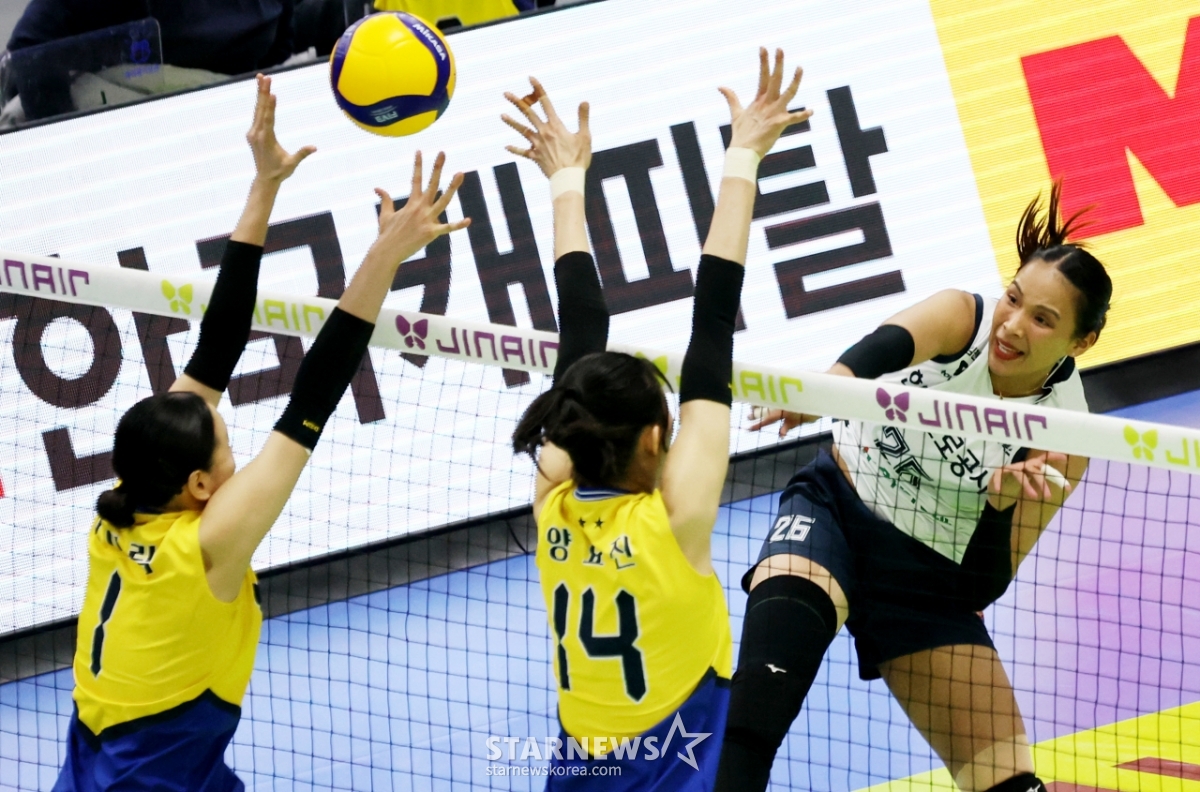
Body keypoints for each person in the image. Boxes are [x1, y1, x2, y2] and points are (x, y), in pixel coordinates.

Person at [53, 75, 469, 791]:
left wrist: (265, 185)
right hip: (153, 774)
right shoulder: (206, 545)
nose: (234, 447)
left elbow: (217, 346)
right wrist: (385, 256)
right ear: (200, 484)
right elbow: (315, 395)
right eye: (226, 446)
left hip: (106, 747)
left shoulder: (131, 492)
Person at [716, 182, 1113, 792]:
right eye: (1014, 299)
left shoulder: (1064, 434)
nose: (1012, 326)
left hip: (927, 584)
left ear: (1080, 342)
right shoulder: (962, 319)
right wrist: (822, 391)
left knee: (1009, 785)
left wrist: (999, 507)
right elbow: (869, 357)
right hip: (836, 511)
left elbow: (982, 585)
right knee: (754, 719)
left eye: (1042, 320)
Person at [506, 49, 811, 789]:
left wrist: (565, 179)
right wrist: (744, 155)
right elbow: (714, 319)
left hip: (579, 771)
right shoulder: (675, 519)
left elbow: (584, 328)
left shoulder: (553, 502)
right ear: (654, 438)